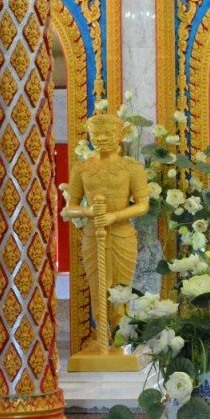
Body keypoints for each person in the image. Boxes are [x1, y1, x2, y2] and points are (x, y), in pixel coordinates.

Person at [62, 112, 149, 344]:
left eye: (108, 133)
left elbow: (142, 205)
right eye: (95, 134)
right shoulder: (81, 169)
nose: (101, 138)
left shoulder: (132, 167)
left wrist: (115, 216)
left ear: (120, 135)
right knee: (98, 286)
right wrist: (88, 212)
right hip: (93, 234)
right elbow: (69, 208)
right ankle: (101, 335)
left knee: (121, 287)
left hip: (121, 234)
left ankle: (121, 335)